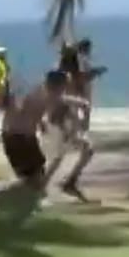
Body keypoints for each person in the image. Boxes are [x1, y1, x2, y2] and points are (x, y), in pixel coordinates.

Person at [39, 69, 94, 200]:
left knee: (59, 159)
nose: (68, 86)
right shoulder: (56, 98)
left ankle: (63, 183)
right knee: (63, 157)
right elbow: (75, 104)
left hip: (57, 131)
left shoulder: (49, 97)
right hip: (59, 132)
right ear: (59, 85)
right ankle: (67, 183)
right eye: (66, 83)